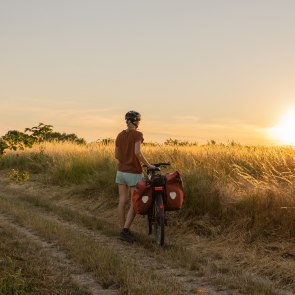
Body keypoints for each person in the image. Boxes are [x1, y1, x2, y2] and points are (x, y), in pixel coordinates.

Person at [115, 110, 155, 242]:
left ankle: (123, 230)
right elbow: (137, 152)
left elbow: (116, 155)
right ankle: (126, 230)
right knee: (134, 202)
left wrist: (125, 160)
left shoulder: (120, 135)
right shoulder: (138, 134)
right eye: (139, 120)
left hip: (120, 172)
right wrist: (148, 165)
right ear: (136, 121)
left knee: (122, 201)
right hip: (133, 173)